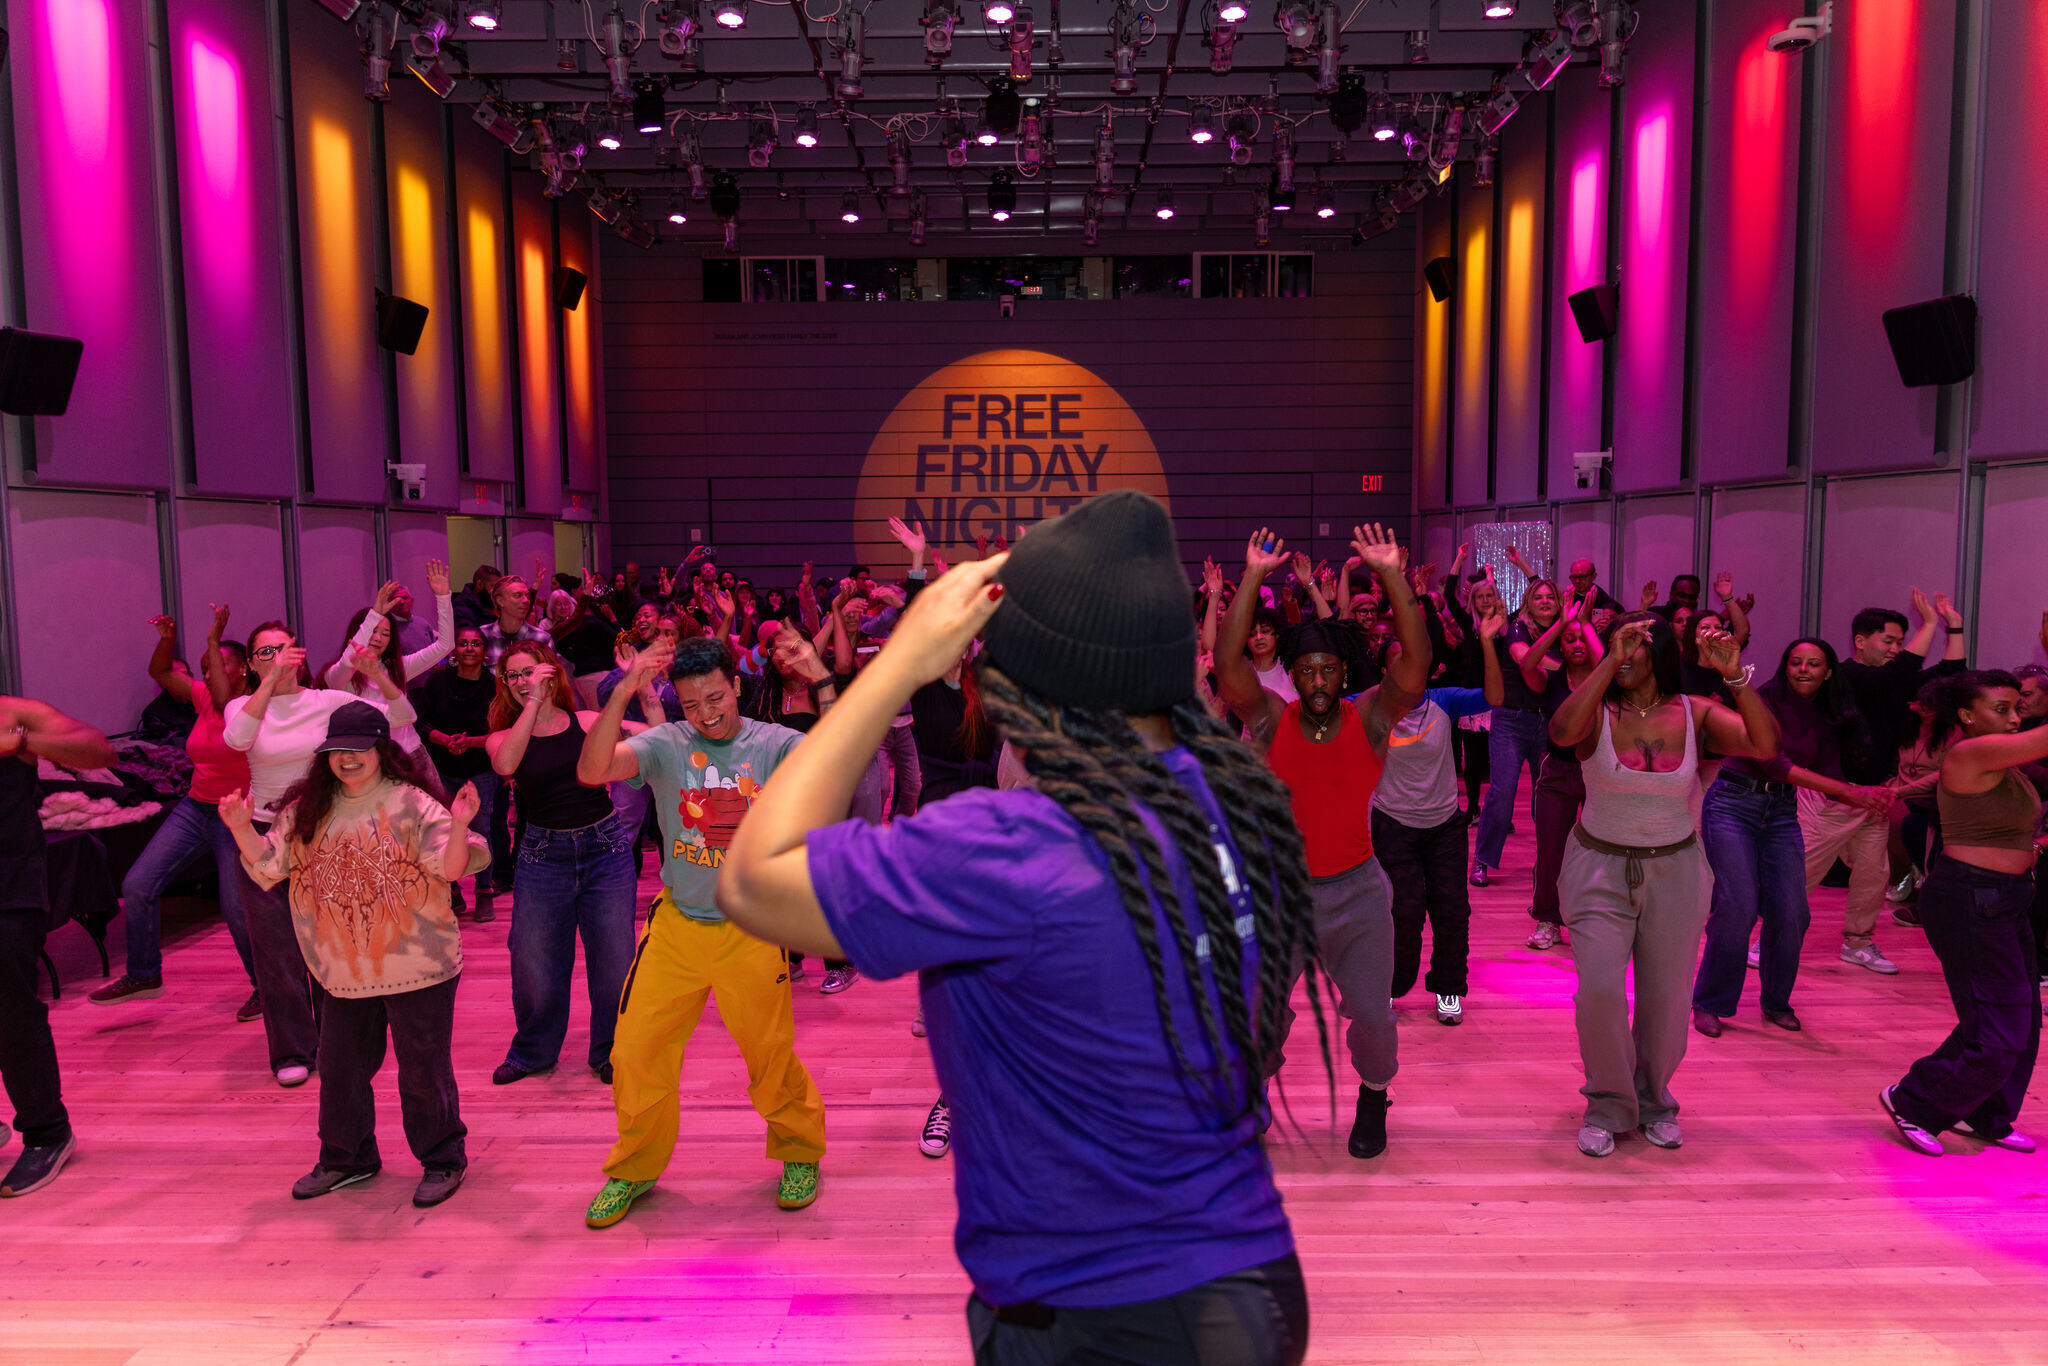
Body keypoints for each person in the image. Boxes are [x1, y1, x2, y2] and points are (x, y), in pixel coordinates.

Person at [717, 491, 1318, 1365]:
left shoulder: (1015, 850)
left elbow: (750, 881)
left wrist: (895, 666)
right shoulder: (1237, 802)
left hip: (1096, 1314)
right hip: (1251, 1281)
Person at [574, 636, 826, 1229]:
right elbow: (592, 771)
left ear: (736, 685)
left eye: (715, 698)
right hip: (678, 928)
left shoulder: (773, 744)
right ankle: (635, 1166)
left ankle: (799, 1151)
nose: (706, 713)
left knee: (768, 1053)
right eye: (691, 704)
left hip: (751, 930)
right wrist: (625, 690)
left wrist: (821, 681)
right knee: (635, 1052)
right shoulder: (666, 744)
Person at [1215, 521, 1429, 1161]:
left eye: (1326, 670)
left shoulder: (1371, 719)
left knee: (1374, 1016)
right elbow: (1227, 666)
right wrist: (1251, 577)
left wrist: (1390, 575)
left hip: (1357, 893)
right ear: (1293, 673)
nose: (1315, 682)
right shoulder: (1268, 719)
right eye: (1304, 670)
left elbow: (1416, 666)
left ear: (1342, 673)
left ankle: (1374, 1092)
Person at [222, 702, 487, 1206]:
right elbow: (269, 866)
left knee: (422, 1071)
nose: (347, 758)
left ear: (382, 750)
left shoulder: (412, 803)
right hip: (341, 968)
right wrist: (239, 827)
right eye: (337, 750)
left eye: (359, 749)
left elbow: (453, 869)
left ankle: (443, 1158)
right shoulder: (308, 810)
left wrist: (458, 825)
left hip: (418, 966)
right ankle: (347, 1158)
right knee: (340, 1069)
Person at [1549, 612, 1778, 1158]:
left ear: (1661, 654)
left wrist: (1735, 676)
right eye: (1617, 643)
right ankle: (1608, 1104)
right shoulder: (1596, 710)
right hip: (1598, 868)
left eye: (1635, 644)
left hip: (1676, 871)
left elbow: (1765, 745)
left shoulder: (1696, 713)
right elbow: (1560, 734)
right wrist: (1609, 660)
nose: (1626, 653)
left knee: (1667, 998)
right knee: (1600, 991)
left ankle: (1653, 1101)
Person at [225, 623, 420, 1087]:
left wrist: (378, 673)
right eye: (264, 652)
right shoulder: (243, 706)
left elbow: (402, 716)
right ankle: (292, 1050)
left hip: (325, 834)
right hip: (263, 835)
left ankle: (336, 1045)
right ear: (250, 664)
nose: (275, 657)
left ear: (300, 654)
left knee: (333, 944)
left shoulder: (327, 701)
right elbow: (236, 740)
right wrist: (270, 682)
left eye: (283, 648)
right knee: (276, 950)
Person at [1882, 671, 2047, 1157]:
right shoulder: (1970, 754)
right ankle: (1913, 1100)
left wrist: (2035, 849)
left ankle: (1985, 1112)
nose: (2014, 718)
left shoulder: (2003, 763)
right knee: (1999, 1027)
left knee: (2022, 1019)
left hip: (2008, 896)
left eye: (2017, 708)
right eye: (2001, 709)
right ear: (1966, 716)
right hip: (1970, 898)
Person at [1691, 638, 1885, 1037]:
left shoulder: (1828, 714)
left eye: (1813, 664)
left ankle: (1776, 1002)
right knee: (1738, 907)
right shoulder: (1765, 699)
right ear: (1786, 666)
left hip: (1780, 811)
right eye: (1796, 662)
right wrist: (1851, 793)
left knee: (1793, 911)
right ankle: (1710, 1001)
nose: (1803, 670)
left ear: (1828, 673)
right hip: (1733, 803)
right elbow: (1774, 763)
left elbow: (1829, 773)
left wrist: (1871, 794)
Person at [94, 605, 262, 1014]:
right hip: (195, 807)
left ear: (243, 668)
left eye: (217, 664)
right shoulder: (203, 697)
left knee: (236, 908)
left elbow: (224, 700)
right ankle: (144, 975)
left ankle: (267, 986)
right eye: (204, 667)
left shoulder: (255, 705)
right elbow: (161, 672)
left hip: (235, 816)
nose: (207, 673)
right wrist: (167, 641)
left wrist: (211, 638)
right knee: (138, 884)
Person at [485, 642, 640, 1088]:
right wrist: (533, 703)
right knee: (533, 959)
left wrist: (641, 688)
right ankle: (533, 1052)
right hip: (542, 855)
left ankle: (612, 1050)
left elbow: (653, 733)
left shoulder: (587, 722)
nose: (522, 681)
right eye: (513, 676)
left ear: (551, 673)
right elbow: (506, 763)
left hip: (604, 850)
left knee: (614, 958)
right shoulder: (503, 735)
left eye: (529, 672)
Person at [0, 695, 114, 1197]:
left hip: (9, 884)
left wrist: (23, 742)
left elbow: (98, 750)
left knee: (11, 1011)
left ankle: (47, 1131)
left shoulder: (12, 713)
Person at [1371, 596, 1504, 1024]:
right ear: (1384, 671)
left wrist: (1486, 642)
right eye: (1397, 662)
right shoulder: (1371, 705)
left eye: (1414, 661)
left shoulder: (1444, 700)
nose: (1408, 669)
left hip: (1444, 825)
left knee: (1452, 910)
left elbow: (1494, 697)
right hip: (1393, 824)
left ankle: (1448, 987)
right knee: (1403, 911)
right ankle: (1389, 988)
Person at [1839, 593, 1967, 944]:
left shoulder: (1895, 681)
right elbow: (1895, 674)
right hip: (1834, 792)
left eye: (1900, 642)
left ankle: (1859, 942)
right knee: (1804, 870)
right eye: (1889, 641)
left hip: (1876, 791)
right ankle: (1767, 941)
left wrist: (1954, 626)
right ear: (1860, 641)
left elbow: (1951, 674)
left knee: (1872, 874)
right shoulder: (1847, 675)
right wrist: (1929, 624)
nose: (1896, 648)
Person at [1514, 594, 1604, 950]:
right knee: (1551, 850)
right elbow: (1527, 664)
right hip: (1556, 771)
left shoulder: (1605, 679)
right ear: (1561, 646)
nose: (1577, 644)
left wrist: (1583, 626)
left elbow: (1607, 661)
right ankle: (1548, 920)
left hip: (1599, 773)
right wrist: (1560, 625)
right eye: (1570, 640)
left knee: (1600, 850)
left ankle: (1596, 919)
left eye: (1583, 639)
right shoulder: (1551, 680)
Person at [1470, 577, 1563, 887]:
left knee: (1545, 797)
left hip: (1547, 723)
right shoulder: (1519, 628)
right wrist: (1564, 667)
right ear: (1528, 604)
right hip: (1512, 719)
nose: (1545, 601)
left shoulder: (1565, 632)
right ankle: (1482, 860)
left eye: (1550, 597)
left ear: (1558, 603)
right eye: (1539, 597)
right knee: (1503, 792)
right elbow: (1524, 656)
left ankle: (1549, 863)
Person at [414, 627, 500, 922]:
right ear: (454, 650)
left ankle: (484, 891)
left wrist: (470, 742)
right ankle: (451, 890)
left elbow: (503, 729)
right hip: (441, 768)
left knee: (482, 829)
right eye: (463, 643)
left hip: (481, 769)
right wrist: (444, 740)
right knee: (443, 829)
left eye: (475, 644)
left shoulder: (495, 686)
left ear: (484, 651)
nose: (469, 648)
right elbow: (420, 722)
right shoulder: (437, 682)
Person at [323, 563, 455, 750]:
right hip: (366, 754)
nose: (378, 638)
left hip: (408, 753)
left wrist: (443, 598)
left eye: (385, 634)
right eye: (373, 631)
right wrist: (375, 614)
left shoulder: (398, 667)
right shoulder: (338, 674)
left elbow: (446, 645)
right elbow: (349, 659)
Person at [479, 575, 549, 668]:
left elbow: (556, 675)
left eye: (527, 595)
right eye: (517, 595)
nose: (526, 600)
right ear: (500, 601)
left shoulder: (541, 638)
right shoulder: (482, 636)